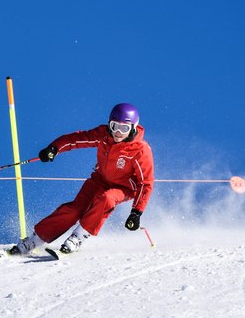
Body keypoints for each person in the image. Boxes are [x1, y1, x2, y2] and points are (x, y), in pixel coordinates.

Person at [10, 103, 154, 255]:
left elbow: (145, 183)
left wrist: (136, 212)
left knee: (107, 199)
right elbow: (77, 139)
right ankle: (35, 240)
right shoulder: (104, 135)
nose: (118, 132)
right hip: (99, 180)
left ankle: (78, 237)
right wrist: (54, 148)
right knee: (74, 210)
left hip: (124, 188)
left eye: (124, 128)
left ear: (133, 127)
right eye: (114, 126)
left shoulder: (140, 150)